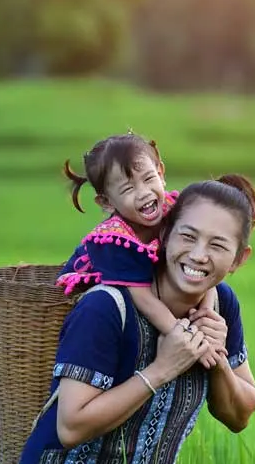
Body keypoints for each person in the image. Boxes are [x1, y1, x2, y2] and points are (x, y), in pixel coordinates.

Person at [5, 173, 255, 464]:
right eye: (188, 236)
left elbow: (240, 414)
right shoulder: (107, 309)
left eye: (218, 246)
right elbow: (70, 425)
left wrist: (214, 359)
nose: (198, 256)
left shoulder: (223, 306)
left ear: (239, 258)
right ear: (163, 233)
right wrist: (162, 368)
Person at [57, 133, 219, 368]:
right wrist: (188, 339)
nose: (143, 193)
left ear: (161, 173)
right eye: (128, 189)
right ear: (106, 202)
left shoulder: (178, 212)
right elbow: (142, 298)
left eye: (148, 178)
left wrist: (205, 316)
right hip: (107, 297)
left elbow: (202, 262)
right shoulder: (113, 241)